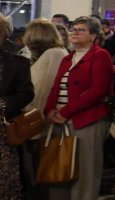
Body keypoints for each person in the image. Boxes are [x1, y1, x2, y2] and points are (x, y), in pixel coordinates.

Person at [45, 16, 113, 200]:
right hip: (59, 120)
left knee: (84, 171)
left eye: (81, 30)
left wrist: (65, 112)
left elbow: (98, 90)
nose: (74, 33)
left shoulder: (100, 55)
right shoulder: (67, 58)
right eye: (73, 29)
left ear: (93, 35)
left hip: (85, 120)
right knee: (59, 169)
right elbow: (56, 87)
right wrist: (49, 110)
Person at [20, 18, 68, 197]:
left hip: (43, 123)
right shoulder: (47, 54)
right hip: (39, 121)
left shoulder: (54, 54)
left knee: (42, 171)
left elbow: (43, 89)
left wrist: (32, 120)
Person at [0, 15, 34, 200]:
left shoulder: (18, 63)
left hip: (4, 132)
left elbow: (26, 94)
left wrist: (3, 104)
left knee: (6, 181)